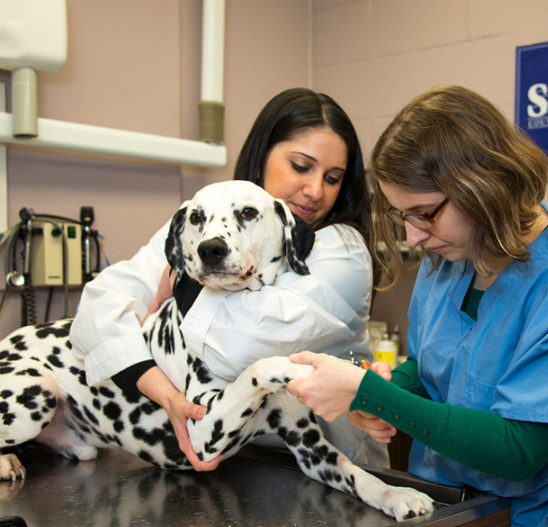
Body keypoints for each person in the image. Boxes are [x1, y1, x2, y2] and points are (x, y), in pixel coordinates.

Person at [287, 85, 548, 527]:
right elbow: (437, 369)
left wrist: (369, 393)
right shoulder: (451, 256)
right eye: (400, 216)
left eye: (424, 213)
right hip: (468, 517)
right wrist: (386, 392)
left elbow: (520, 449)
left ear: (482, 183)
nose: (413, 237)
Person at [69, 88, 388, 471]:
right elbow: (96, 310)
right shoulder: (204, 223)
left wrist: (184, 278)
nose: (316, 191)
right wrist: (162, 390)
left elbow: (236, 345)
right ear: (260, 160)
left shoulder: (340, 249)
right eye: (301, 166)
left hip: (328, 467)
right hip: (233, 460)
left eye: (333, 178)